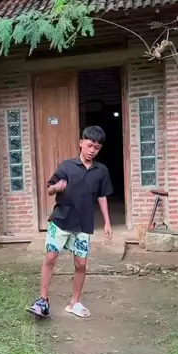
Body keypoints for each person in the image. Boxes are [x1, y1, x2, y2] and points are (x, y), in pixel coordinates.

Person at [28, 126, 113, 320]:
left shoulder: (101, 171)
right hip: (61, 220)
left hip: (83, 224)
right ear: (81, 143)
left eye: (97, 148)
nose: (92, 150)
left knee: (81, 264)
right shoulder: (66, 166)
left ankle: (74, 303)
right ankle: (42, 300)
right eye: (89, 145)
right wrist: (57, 187)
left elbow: (102, 196)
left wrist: (107, 222)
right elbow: (49, 189)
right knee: (50, 258)